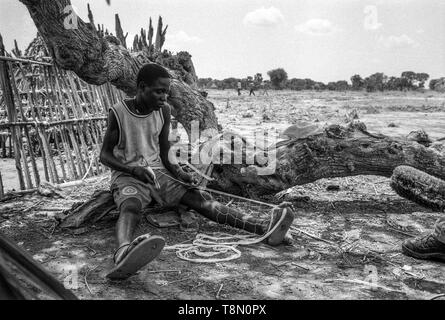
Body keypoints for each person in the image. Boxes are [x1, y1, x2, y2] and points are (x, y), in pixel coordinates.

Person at [100, 63, 295, 279]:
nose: (164, 97)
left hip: (159, 172)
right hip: (128, 176)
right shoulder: (118, 112)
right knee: (130, 208)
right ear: (142, 87)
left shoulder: (163, 112)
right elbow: (105, 156)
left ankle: (264, 228)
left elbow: (165, 153)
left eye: (166, 92)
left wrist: (180, 174)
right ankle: (123, 253)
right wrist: (132, 170)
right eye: (159, 91)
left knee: (201, 199)